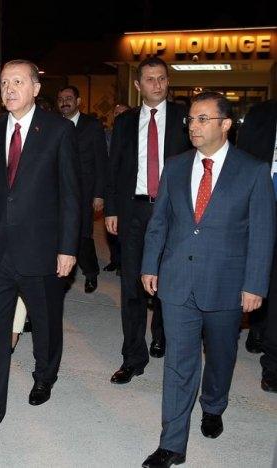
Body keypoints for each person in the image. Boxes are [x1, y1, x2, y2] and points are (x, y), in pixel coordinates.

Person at [140, 91, 275, 468]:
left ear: (226, 124)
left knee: (221, 354)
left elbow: (262, 233)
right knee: (178, 363)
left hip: (226, 283)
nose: (193, 126)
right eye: (191, 120)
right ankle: (171, 443)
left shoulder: (252, 170)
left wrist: (255, 284)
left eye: (203, 119)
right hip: (177, 280)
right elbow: (160, 221)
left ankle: (213, 405)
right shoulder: (175, 166)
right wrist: (150, 264)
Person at [0, 59, 81, 449]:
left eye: (17, 81)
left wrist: (67, 247)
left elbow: (70, 194)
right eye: (3, 83)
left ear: (35, 88)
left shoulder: (59, 131)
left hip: (41, 250)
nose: (9, 89)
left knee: (45, 323)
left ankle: (45, 375)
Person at [105, 57, 190, 384]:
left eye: (162, 78)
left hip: (173, 212)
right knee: (132, 285)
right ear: (138, 85)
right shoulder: (125, 122)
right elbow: (113, 168)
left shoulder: (185, 118)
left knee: (170, 281)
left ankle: (162, 334)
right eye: (150, 79)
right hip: (134, 211)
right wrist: (111, 208)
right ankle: (132, 357)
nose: (157, 84)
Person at [237, 98, 277, 393]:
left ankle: (272, 360)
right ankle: (259, 326)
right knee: (262, 270)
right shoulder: (261, 115)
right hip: (264, 203)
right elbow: (242, 162)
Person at [57, 86, 107, 293]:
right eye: (61, 99)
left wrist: (99, 194)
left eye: (69, 98)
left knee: (82, 236)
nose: (64, 102)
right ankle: (61, 274)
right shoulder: (52, 124)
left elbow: (101, 161)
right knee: (58, 234)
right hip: (57, 191)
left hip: (84, 192)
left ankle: (91, 272)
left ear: (78, 102)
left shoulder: (92, 125)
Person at [103, 103, 130, 274]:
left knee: (125, 229)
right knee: (110, 227)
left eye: (123, 113)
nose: (119, 116)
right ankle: (115, 260)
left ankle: (123, 263)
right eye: (117, 113)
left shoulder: (135, 135)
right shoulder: (106, 135)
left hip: (127, 188)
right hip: (110, 186)